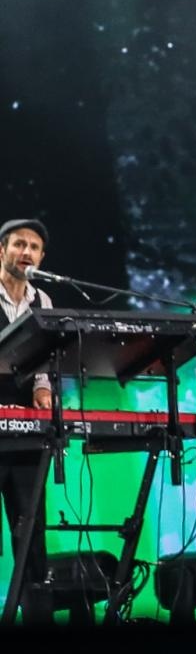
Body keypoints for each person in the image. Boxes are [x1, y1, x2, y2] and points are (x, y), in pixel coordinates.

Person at [0, 218, 56, 624]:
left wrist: (43, 392)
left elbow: (44, 364)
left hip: (27, 435)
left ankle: (38, 625)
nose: (27, 253)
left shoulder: (44, 302)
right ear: (2, 250)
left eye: (34, 248)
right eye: (19, 244)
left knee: (31, 534)